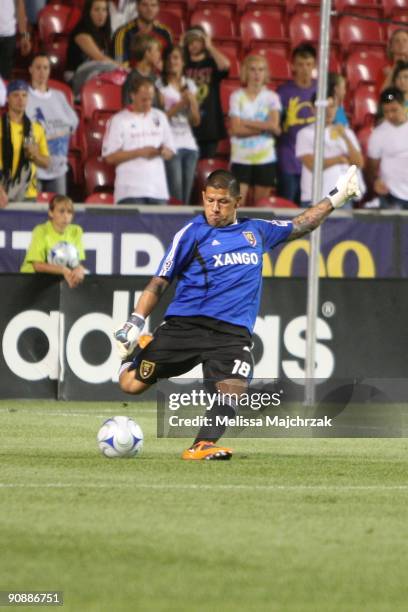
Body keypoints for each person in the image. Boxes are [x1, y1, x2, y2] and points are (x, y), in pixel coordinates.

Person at [114, 165, 360, 460]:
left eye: (223, 202)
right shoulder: (191, 234)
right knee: (130, 385)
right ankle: (135, 353)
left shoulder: (256, 231)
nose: (215, 209)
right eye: (210, 201)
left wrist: (337, 197)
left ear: (237, 202)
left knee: (233, 389)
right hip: (185, 327)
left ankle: (201, 445)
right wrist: (135, 322)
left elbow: (302, 224)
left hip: (231, 335)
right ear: (203, 197)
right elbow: (159, 281)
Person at [102, 76, 175, 204]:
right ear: (132, 96)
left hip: (158, 191)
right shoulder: (119, 120)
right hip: (129, 191)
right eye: (143, 99)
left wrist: (163, 151)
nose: (148, 103)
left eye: (150, 99)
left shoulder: (160, 117)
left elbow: (171, 151)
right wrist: (140, 152)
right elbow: (109, 157)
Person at [229, 54, 281, 206]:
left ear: (266, 73)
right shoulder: (236, 96)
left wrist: (245, 122)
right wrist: (263, 129)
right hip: (241, 157)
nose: (257, 74)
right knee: (238, 206)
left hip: (265, 158)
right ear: (245, 72)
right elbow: (236, 129)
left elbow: (274, 124)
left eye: (261, 69)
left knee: (261, 208)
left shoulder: (272, 97)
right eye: (252, 70)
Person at [296, 94, 364, 208]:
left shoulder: (346, 132)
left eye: (332, 106)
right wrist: (338, 159)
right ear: (313, 109)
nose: (328, 111)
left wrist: (345, 136)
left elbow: (359, 163)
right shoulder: (304, 134)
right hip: (314, 198)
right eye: (324, 107)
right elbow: (312, 165)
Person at [26, 54, 79, 196]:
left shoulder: (59, 96)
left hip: (58, 168)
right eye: (38, 67)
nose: (42, 72)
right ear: (30, 70)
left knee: (58, 212)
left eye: (45, 68)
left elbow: (73, 123)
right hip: (32, 168)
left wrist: (52, 134)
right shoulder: (24, 97)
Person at [158, 45, 200, 204]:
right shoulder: (160, 85)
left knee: (186, 197)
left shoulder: (190, 84)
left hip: (189, 145)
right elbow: (160, 119)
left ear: (183, 62)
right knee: (176, 196)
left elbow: (195, 121)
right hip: (171, 144)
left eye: (175, 58)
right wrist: (181, 104)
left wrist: (193, 103)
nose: (172, 62)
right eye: (168, 58)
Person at [277, 43, 317, 205]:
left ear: (314, 65)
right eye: (300, 64)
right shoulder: (283, 92)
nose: (305, 69)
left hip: (313, 160)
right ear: (293, 66)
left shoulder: (322, 89)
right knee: (286, 208)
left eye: (308, 64)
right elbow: (276, 125)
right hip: (288, 159)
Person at [183, 26, 230, 159]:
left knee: (206, 167)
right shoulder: (182, 64)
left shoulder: (211, 63)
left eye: (197, 41)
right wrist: (181, 47)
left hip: (210, 125)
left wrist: (210, 47)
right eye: (190, 41)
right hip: (186, 124)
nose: (193, 45)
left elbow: (225, 65)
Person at [20, 194, 86, 289]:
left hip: (56, 280)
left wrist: (79, 269)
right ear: (51, 213)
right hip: (31, 281)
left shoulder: (76, 231)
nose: (66, 216)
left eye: (69, 212)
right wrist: (63, 270)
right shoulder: (41, 231)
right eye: (61, 211)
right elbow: (37, 265)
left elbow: (76, 262)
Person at [0, 80, 49, 206]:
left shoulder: (37, 129)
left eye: (24, 95)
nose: (20, 99)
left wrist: (35, 155)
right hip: (2, 193)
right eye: (15, 95)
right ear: (7, 98)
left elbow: (46, 163)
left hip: (28, 194)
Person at [66, 0, 120, 95]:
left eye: (104, 10)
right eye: (97, 10)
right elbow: (100, 58)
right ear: (88, 13)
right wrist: (123, 68)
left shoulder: (104, 33)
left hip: (97, 73)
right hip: (76, 76)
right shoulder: (81, 33)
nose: (101, 14)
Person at [367, 87, 408, 209]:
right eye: (386, 111)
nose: (390, 115)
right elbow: (371, 169)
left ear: (403, 105)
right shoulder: (378, 134)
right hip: (390, 195)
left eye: (394, 110)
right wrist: (376, 181)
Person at [113, 0, 173, 65]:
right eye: (144, 5)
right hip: (131, 74)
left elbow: (170, 61)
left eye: (153, 5)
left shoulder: (165, 32)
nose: (149, 9)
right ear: (137, 7)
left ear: (158, 8)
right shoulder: (122, 33)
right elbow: (119, 65)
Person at [122, 33, 163, 107]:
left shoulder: (156, 77)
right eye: (157, 50)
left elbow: (160, 107)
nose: (159, 54)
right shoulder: (132, 79)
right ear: (147, 53)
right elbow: (127, 108)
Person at [0, 0, 31, 80]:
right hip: (7, 36)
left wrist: (24, 36)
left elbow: (20, 5)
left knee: (5, 79)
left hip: (8, 36)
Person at [376, 29, 408, 94]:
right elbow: (383, 95)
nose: (401, 44)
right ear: (391, 47)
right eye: (397, 41)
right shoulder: (384, 70)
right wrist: (390, 75)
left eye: (405, 41)